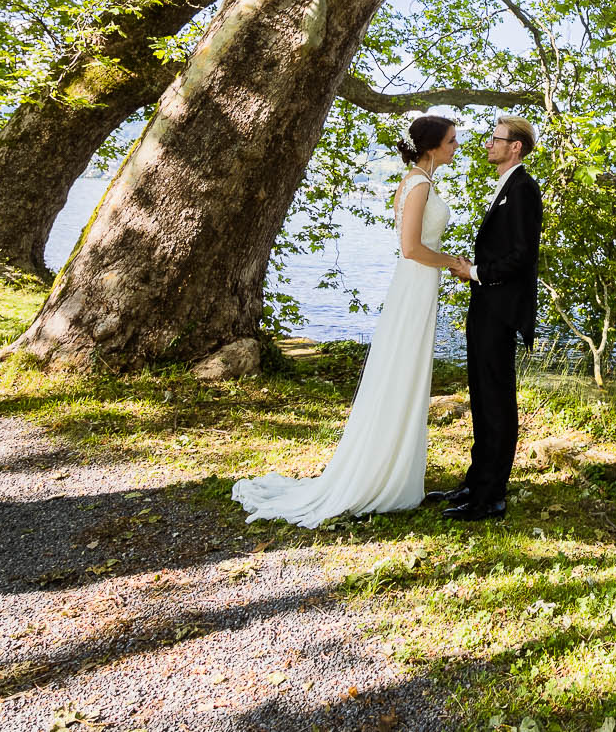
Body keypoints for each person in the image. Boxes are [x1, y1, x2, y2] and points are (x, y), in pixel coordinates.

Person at [231, 114, 473, 527]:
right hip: (414, 284)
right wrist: (453, 261)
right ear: (432, 146)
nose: (456, 147)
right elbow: (411, 248)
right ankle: (381, 472)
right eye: (452, 141)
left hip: (420, 287)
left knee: (408, 372)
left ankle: (397, 468)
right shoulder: (417, 184)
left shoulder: (424, 181)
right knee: (402, 371)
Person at [428, 114, 542, 522]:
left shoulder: (524, 188)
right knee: (482, 396)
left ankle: (491, 497)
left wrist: (474, 272)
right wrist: (475, 271)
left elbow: (522, 256)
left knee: (496, 401)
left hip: (500, 309)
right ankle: (475, 482)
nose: (488, 145)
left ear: (515, 147)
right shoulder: (507, 185)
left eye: (495, 140)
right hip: (486, 305)